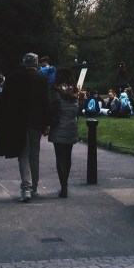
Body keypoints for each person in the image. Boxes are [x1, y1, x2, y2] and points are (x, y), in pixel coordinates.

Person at [0, 52, 50, 202]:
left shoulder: (14, 77)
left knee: (23, 154)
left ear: (24, 63)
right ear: (36, 63)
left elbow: (6, 101)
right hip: (36, 122)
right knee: (34, 154)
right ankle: (35, 187)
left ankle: (26, 187)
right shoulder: (42, 79)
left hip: (19, 122)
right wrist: (46, 123)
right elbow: (46, 103)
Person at [47, 68, 80, 198]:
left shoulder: (55, 91)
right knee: (68, 157)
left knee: (60, 158)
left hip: (58, 127)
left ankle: (63, 186)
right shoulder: (74, 91)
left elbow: (52, 109)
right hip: (71, 126)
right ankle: (65, 183)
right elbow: (77, 109)